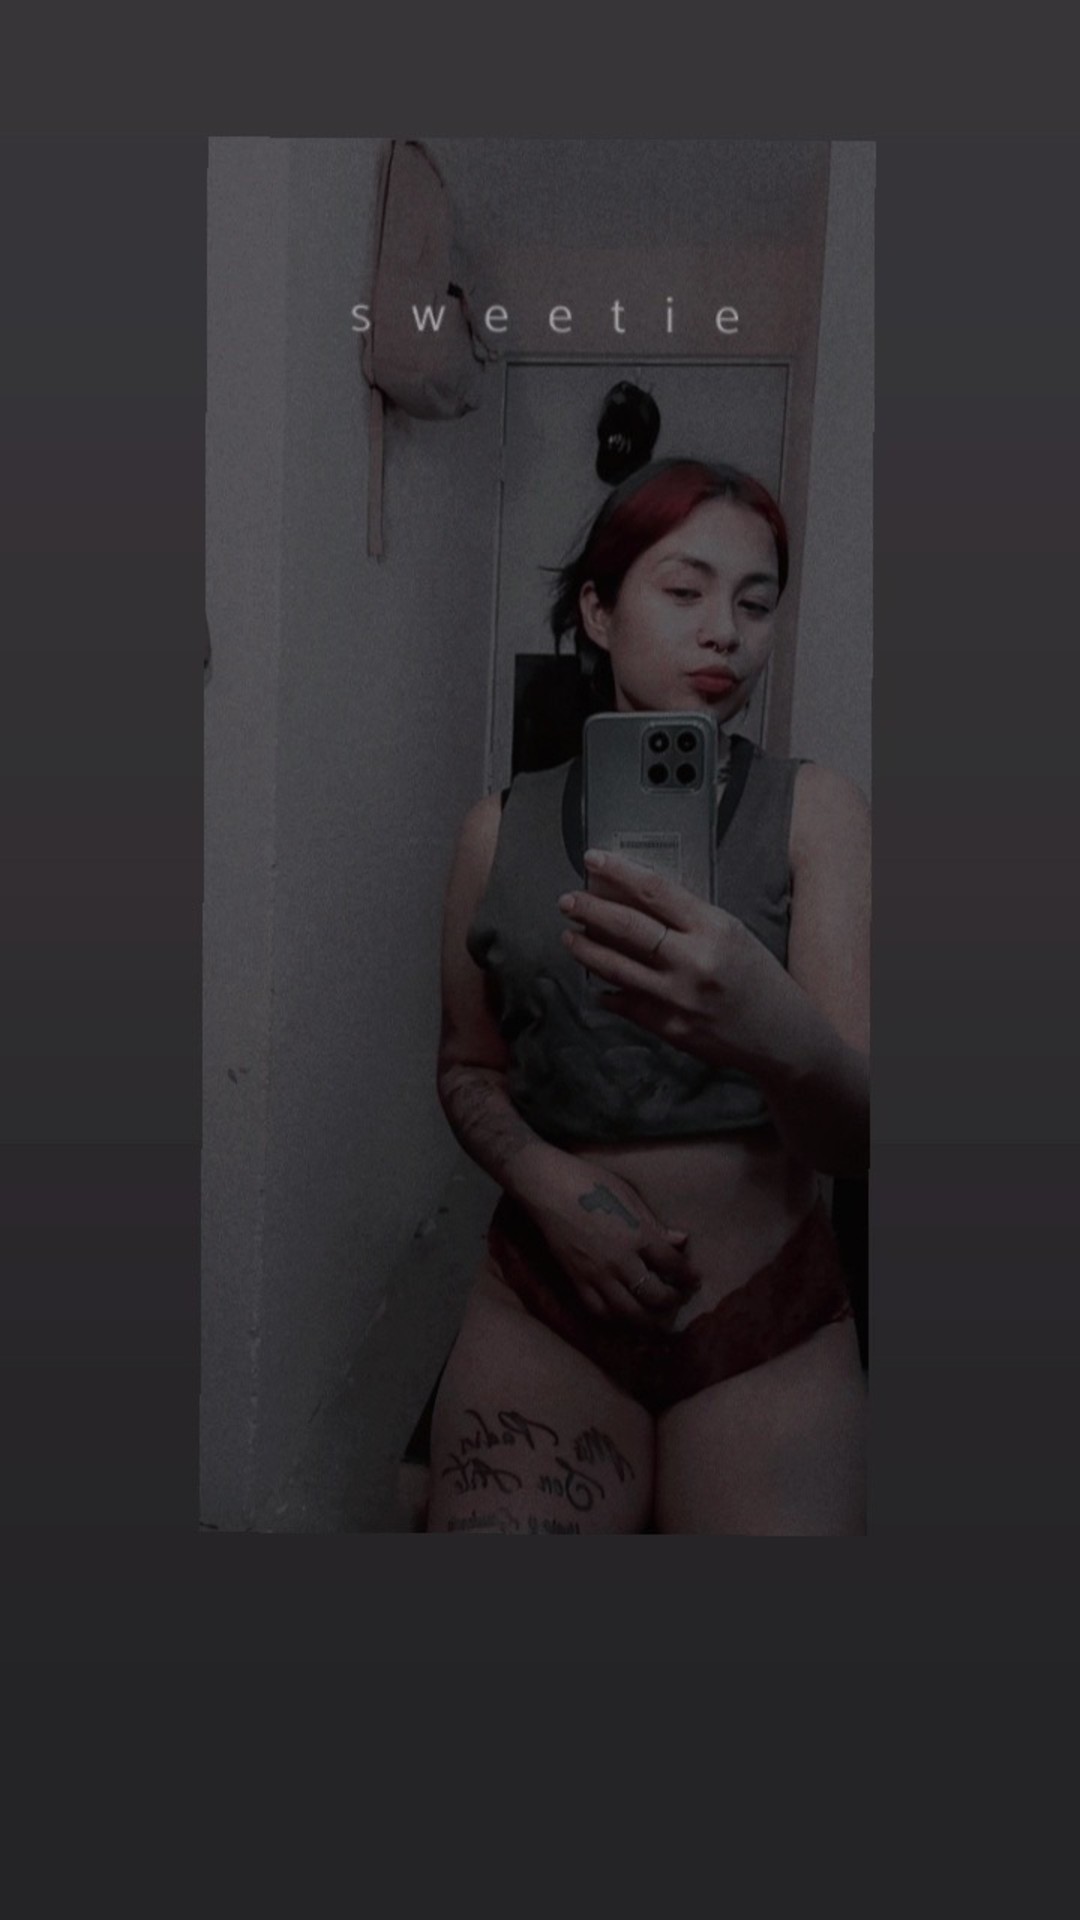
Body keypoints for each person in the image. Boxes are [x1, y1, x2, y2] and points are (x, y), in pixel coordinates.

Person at [426, 458, 869, 1535]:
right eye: (684, 591)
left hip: (766, 1319)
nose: (725, 633)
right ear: (598, 609)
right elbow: (468, 1067)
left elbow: (854, 1140)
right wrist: (545, 1182)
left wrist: (765, 1024)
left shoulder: (816, 812)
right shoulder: (495, 831)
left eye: (755, 604)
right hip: (545, 1306)